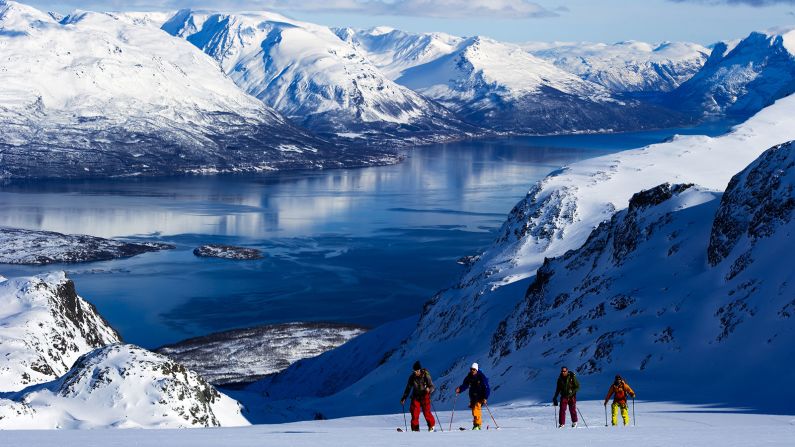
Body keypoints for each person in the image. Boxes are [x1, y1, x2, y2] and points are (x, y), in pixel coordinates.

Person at [400, 361, 436, 432]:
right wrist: (404, 398)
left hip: (425, 395)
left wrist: (429, 389)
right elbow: (408, 388)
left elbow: (432, 386)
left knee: (426, 412)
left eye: (416, 371)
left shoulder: (426, 375)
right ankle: (415, 429)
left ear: (419, 370)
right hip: (415, 396)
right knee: (414, 413)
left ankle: (431, 426)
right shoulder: (412, 377)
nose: (415, 372)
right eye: (414, 371)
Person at [455, 362, 490, 430]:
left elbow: (487, 388)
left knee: (476, 409)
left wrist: (485, 397)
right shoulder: (469, 377)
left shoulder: (481, 377)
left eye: (474, 369)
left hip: (480, 396)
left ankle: (477, 425)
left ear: (476, 370)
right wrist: (460, 389)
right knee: (474, 410)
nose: (472, 370)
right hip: (473, 396)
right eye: (471, 369)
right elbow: (465, 385)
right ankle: (476, 425)